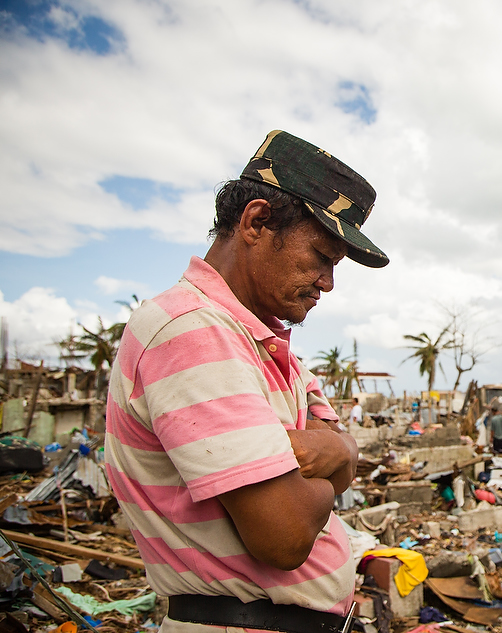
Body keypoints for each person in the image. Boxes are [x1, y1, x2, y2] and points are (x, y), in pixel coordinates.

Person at [105, 130, 389, 633]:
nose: (328, 282)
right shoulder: (192, 331)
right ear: (256, 222)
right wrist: (332, 458)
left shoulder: (264, 345)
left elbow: (345, 459)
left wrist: (336, 452)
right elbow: (285, 536)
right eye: (321, 257)